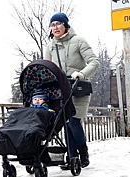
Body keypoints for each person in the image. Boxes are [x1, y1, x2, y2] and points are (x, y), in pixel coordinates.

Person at [43, 12, 100, 168]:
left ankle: (83, 153)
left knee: (73, 121)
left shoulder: (78, 41)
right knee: (66, 123)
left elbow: (94, 62)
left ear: (65, 25)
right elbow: (46, 68)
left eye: (58, 24)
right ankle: (72, 158)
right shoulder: (50, 46)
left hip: (78, 87)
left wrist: (81, 74)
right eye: (52, 24)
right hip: (61, 89)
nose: (55, 27)